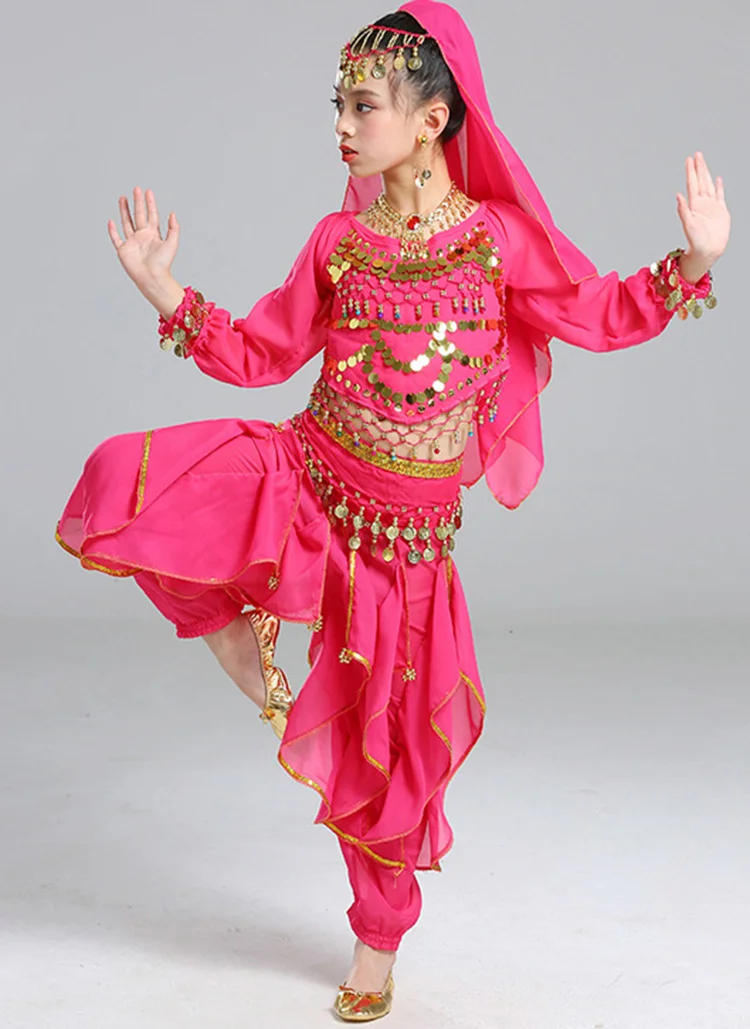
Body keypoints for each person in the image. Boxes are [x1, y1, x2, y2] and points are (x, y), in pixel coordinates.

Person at [55, 1, 730, 1021]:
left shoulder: (496, 242)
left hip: (405, 547)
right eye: (338, 104)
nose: (341, 124)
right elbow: (262, 352)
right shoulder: (340, 241)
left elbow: (594, 311)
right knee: (125, 478)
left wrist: (694, 263)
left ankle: (377, 944)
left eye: (362, 105)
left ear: (430, 120)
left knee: (389, 762)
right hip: (308, 481)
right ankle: (234, 631)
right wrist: (165, 290)